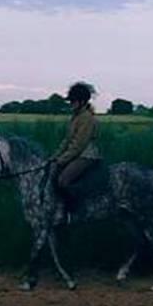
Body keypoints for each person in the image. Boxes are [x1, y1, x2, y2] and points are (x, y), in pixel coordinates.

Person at [50, 82, 101, 210]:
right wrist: (54, 157)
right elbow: (67, 140)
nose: (71, 104)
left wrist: (61, 160)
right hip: (76, 153)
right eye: (71, 101)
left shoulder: (87, 118)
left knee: (63, 181)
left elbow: (78, 145)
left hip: (86, 155)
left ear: (82, 102)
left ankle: (75, 209)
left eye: (73, 101)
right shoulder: (76, 117)